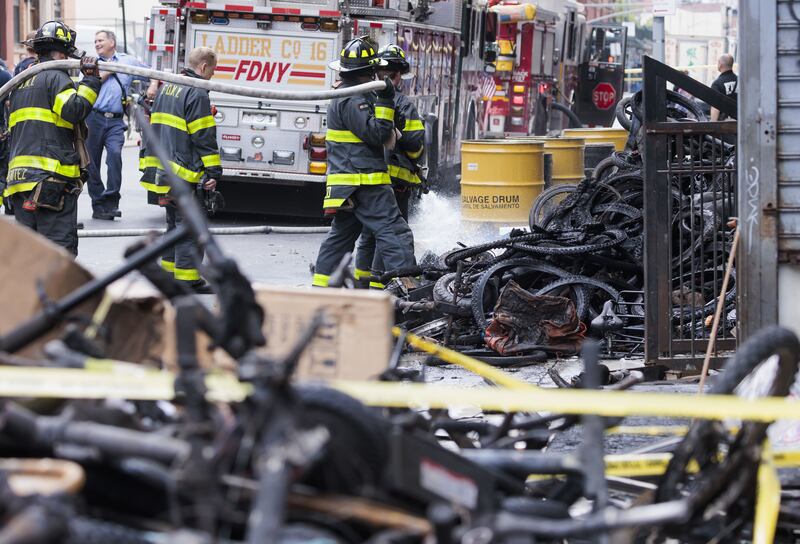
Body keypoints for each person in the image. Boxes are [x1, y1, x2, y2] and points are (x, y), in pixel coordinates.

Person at [312, 37, 416, 288]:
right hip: (364, 180)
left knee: (341, 237)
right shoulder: (353, 98)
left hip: (350, 182)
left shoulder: (349, 94)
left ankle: (322, 289)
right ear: (369, 70)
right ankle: (413, 290)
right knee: (394, 232)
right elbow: (377, 134)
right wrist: (385, 100)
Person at [4, 21, 101, 255]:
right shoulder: (56, 77)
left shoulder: (20, 83)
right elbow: (74, 109)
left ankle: (30, 293)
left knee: (31, 254)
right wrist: (91, 81)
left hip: (19, 182)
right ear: (61, 52)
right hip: (50, 180)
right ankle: (60, 294)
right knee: (59, 253)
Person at [141, 46, 220, 292]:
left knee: (173, 227)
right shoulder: (197, 93)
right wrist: (213, 171)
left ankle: (170, 278)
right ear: (204, 66)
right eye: (212, 71)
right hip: (184, 172)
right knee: (189, 229)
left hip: (164, 171)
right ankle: (187, 282)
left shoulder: (169, 86)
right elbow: (203, 136)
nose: (212, 77)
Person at [354, 44, 424, 288]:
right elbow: (415, 145)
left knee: (369, 234)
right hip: (397, 180)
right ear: (396, 76)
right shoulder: (403, 103)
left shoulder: (363, 100)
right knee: (393, 233)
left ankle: (363, 283)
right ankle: (383, 285)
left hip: (368, 178)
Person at [86, 30, 158, 220]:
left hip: (116, 120)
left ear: (112, 42)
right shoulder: (90, 63)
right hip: (94, 118)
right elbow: (89, 83)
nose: (97, 43)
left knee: (115, 155)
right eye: (95, 41)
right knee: (91, 163)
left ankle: (111, 201)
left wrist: (152, 85)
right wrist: (108, 71)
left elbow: (152, 73)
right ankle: (98, 205)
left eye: (100, 40)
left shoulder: (128, 61)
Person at [710, 54, 737, 122]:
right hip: (740, 122)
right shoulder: (740, 81)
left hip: (724, 125)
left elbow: (715, 107)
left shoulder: (717, 84)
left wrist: (712, 126)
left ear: (720, 64)